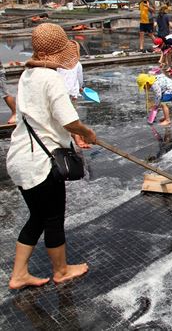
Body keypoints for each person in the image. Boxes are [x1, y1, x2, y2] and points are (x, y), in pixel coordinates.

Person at [7, 23, 96, 290]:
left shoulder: (28, 74)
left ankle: (19, 274)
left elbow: (44, 116)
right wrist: (86, 132)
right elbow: (69, 119)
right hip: (41, 164)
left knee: (37, 217)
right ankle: (61, 270)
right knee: (53, 218)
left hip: (20, 159)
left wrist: (75, 134)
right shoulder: (51, 78)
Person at [56, 43, 90, 148]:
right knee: (72, 115)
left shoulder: (57, 64)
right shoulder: (77, 64)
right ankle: (76, 136)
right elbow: (79, 80)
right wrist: (80, 88)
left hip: (60, 93)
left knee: (62, 115)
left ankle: (70, 135)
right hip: (71, 93)